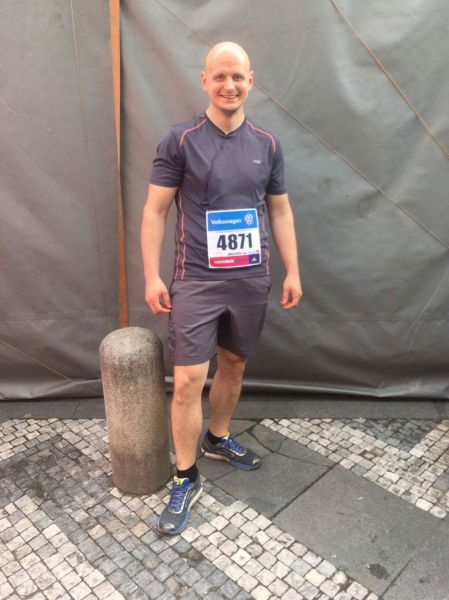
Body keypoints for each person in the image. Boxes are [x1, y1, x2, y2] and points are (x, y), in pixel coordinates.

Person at [141, 41, 302, 535]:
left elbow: (279, 210)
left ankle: (217, 437)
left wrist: (293, 271)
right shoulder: (180, 140)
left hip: (250, 278)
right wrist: (151, 275)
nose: (228, 85)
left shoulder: (267, 144)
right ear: (205, 81)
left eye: (237, 77)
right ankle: (185, 475)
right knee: (189, 378)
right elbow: (155, 211)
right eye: (219, 77)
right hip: (197, 279)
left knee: (233, 363)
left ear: (251, 80)